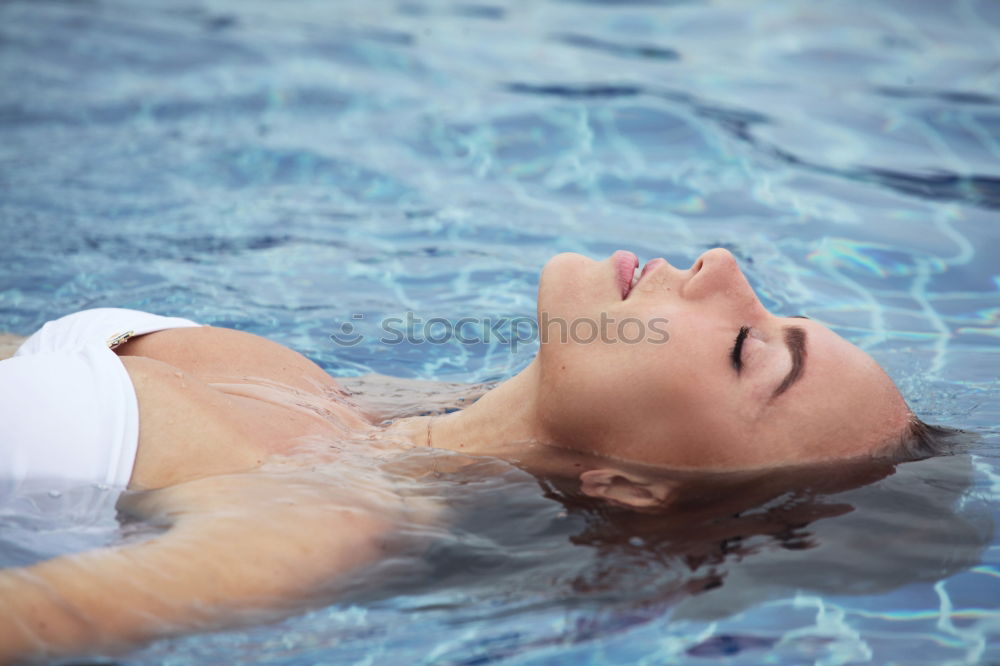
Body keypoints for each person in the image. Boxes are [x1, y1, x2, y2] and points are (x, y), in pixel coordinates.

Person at [0, 248, 945, 662]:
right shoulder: (341, 407)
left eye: (748, 349)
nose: (724, 266)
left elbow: (37, 621)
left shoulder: (319, 522)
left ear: (634, 489)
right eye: (771, 310)